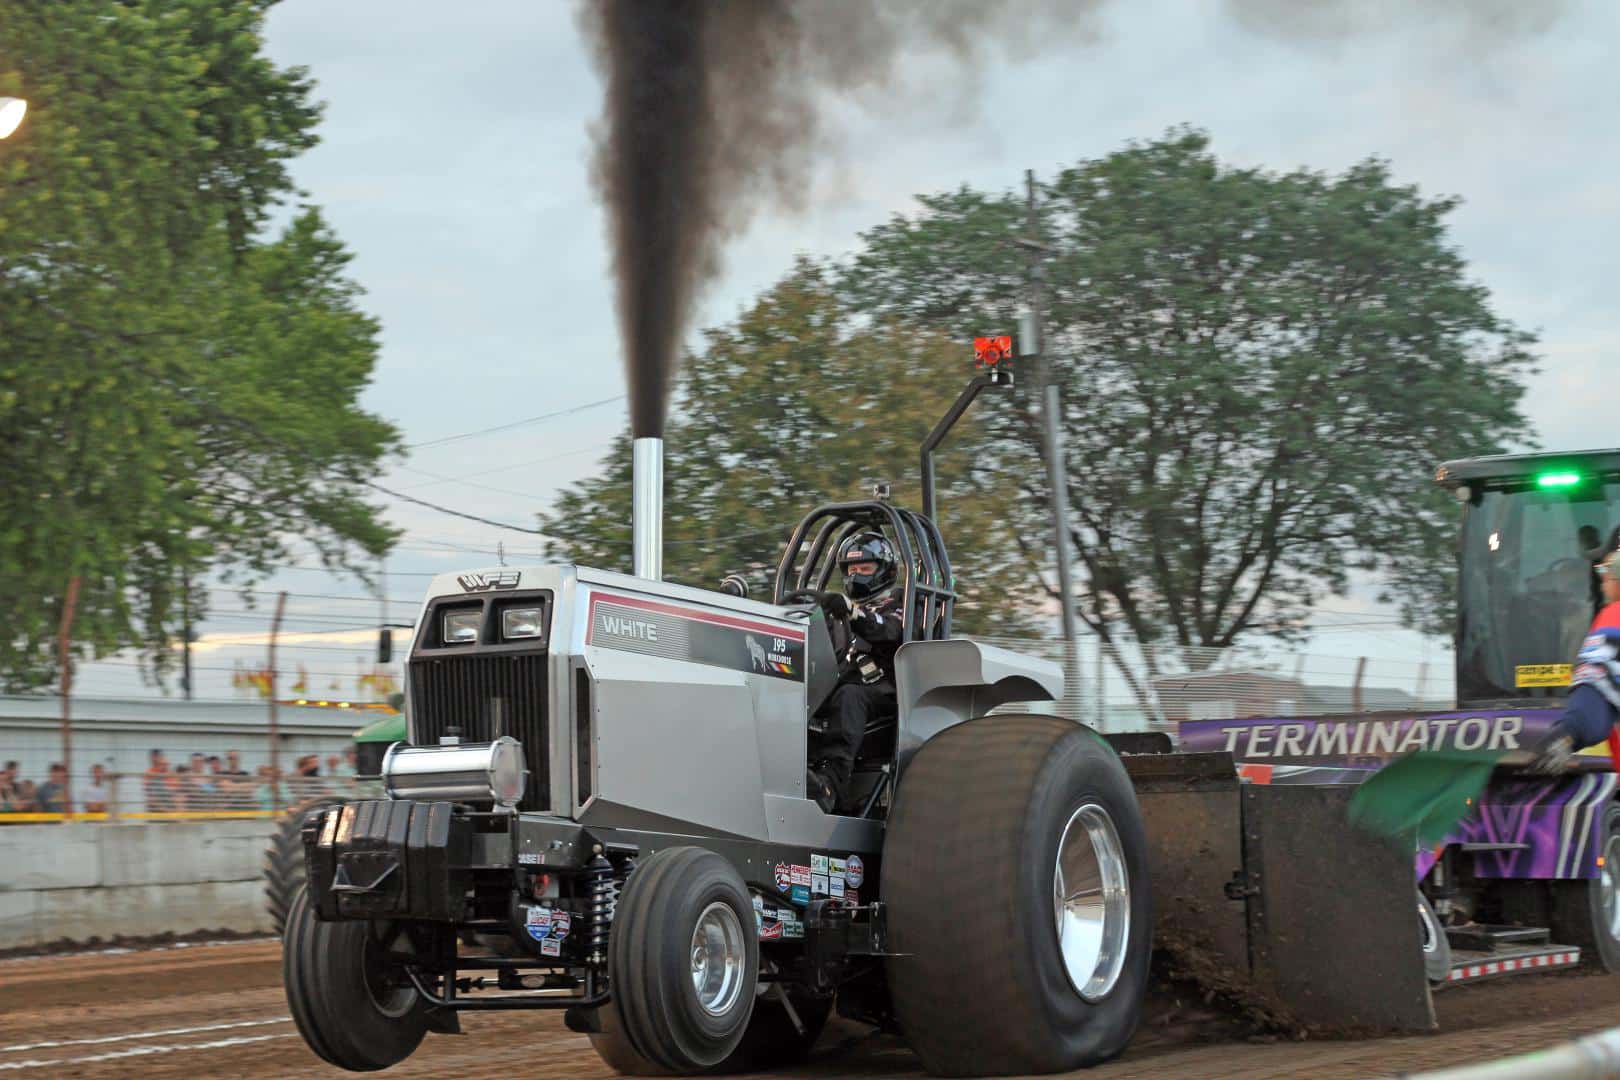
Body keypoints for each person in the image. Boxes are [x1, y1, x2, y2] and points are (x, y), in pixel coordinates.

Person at [809, 531, 904, 813]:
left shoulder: (898, 605)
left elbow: (886, 630)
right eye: (851, 570)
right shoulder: (836, 615)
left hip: (883, 695)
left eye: (864, 568)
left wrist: (853, 613)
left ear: (883, 570)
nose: (856, 575)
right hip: (838, 687)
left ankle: (830, 785)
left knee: (850, 696)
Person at [1535, 547, 1620, 772]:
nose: (1601, 582)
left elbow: (1597, 683)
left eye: (1604, 572)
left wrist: (1568, 733)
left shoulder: (1614, 617)